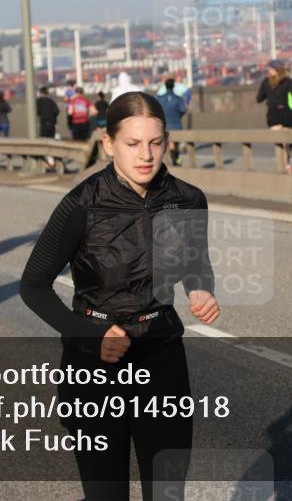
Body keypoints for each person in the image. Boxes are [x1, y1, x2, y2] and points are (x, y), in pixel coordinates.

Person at [20, 91, 220, 501]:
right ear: (109, 143)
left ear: (167, 141)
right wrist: (89, 335)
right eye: (132, 144)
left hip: (161, 356)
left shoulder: (188, 199)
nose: (146, 155)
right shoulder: (80, 204)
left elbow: (195, 261)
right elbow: (33, 285)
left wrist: (201, 287)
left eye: (155, 142)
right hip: (94, 365)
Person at [256, 60, 292, 174]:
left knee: (278, 142)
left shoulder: (266, 82)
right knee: (286, 142)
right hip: (287, 113)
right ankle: (287, 164)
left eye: (269, 69)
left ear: (274, 70)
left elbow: (259, 99)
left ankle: (281, 167)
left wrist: (269, 94)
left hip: (274, 114)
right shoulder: (288, 81)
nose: (268, 71)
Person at [157, 79, 188, 165]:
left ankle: (174, 159)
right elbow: (183, 110)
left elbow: (157, 110)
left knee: (170, 142)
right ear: (173, 86)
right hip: (176, 123)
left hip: (165, 124)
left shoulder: (160, 99)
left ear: (165, 86)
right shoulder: (178, 98)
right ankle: (176, 159)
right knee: (175, 142)